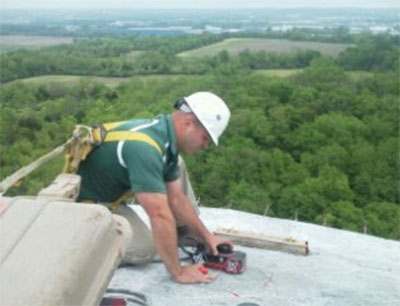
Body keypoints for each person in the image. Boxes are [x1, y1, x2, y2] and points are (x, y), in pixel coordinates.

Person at [76, 91, 232, 284]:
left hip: (107, 197)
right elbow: (159, 214)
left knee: (177, 165)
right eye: (205, 137)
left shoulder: (164, 136)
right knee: (144, 249)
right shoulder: (145, 149)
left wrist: (207, 236)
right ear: (188, 123)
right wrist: (179, 272)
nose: (205, 146)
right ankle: (78, 243)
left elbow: (176, 198)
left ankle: (182, 233)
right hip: (85, 208)